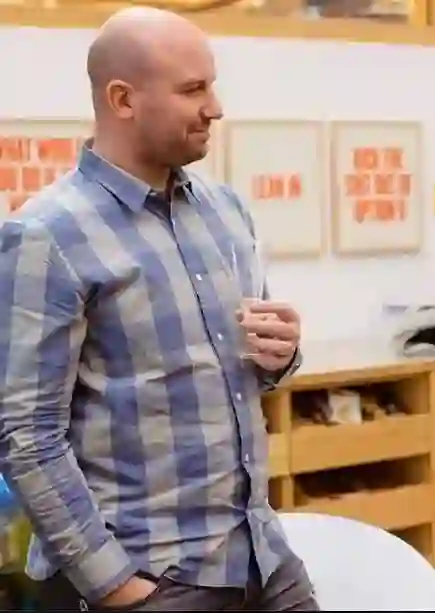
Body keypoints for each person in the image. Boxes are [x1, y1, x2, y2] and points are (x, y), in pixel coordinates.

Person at [0, 7, 319, 611]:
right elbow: (26, 434)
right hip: (154, 573)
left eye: (211, 86)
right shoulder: (46, 235)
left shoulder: (226, 211)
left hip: (260, 554)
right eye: (193, 89)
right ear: (123, 99)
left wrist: (281, 355)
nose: (215, 107)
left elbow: (236, 377)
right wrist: (115, 586)